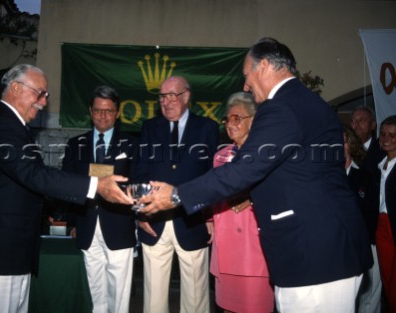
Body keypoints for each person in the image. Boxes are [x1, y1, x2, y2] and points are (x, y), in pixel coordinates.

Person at [138, 37, 373, 313]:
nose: (245, 85)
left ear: (263, 66)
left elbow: (244, 169)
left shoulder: (283, 106)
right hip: (323, 250)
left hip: (315, 255)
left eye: (246, 76)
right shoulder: (305, 102)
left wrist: (177, 194)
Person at [0, 64, 132, 313]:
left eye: (46, 95)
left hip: (9, 252)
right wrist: (96, 186)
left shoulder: (16, 127)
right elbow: (32, 174)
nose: (44, 102)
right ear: (15, 88)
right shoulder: (1, 125)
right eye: (40, 93)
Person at [134, 75, 219, 313]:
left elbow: (212, 176)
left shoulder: (207, 128)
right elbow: (140, 172)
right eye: (162, 96)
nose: (166, 102)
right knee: (153, 298)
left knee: (195, 296)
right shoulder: (149, 128)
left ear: (186, 96)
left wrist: (211, 216)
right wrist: (141, 212)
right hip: (154, 221)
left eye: (171, 96)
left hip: (192, 220)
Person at [61, 85, 138, 313]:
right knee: (95, 294)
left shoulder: (132, 145)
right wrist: (73, 222)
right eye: (98, 110)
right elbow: (68, 185)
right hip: (86, 226)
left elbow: (137, 183)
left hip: (119, 225)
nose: (103, 116)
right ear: (90, 111)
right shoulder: (75, 145)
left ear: (118, 112)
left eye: (108, 110)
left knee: (119, 295)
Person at [211, 91, 274, 313]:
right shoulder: (220, 156)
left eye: (237, 118)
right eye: (228, 119)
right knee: (227, 308)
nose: (230, 123)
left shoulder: (266, 154)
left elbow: (279, 191)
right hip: (225, 249)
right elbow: (213, 194)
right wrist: (208, 219)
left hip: (254, 251)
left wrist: (252, 197)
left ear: (254, 120)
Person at [343, 125, 383, 313]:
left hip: (365, 245)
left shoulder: (365, 177)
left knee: (368, 299)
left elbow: (372, 214)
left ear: (350, 145)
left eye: (342, 141)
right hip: (336, 250)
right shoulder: (322, 179)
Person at [375, 115, 396, 313]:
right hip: (381, 225)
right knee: (387, 276)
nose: (386, 139)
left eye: (392, 135)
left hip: (393, 224)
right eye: (383, 135)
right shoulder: (378, 165)